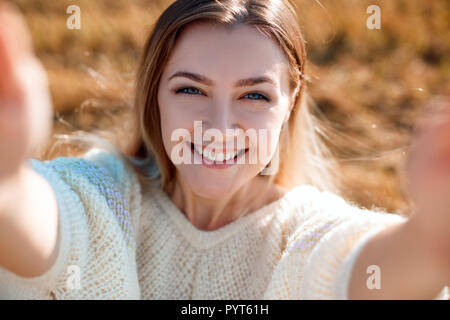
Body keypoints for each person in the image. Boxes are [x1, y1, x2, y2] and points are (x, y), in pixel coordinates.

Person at [0, 0, 448, 299]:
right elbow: (46, 224)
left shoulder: (302, 236)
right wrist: (7, 181)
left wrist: (433, 238)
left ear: (289, 105)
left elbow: (358, 269)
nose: (218, 128)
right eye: (191, 90)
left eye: (254, 96)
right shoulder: (102, 194)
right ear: (154, 94)